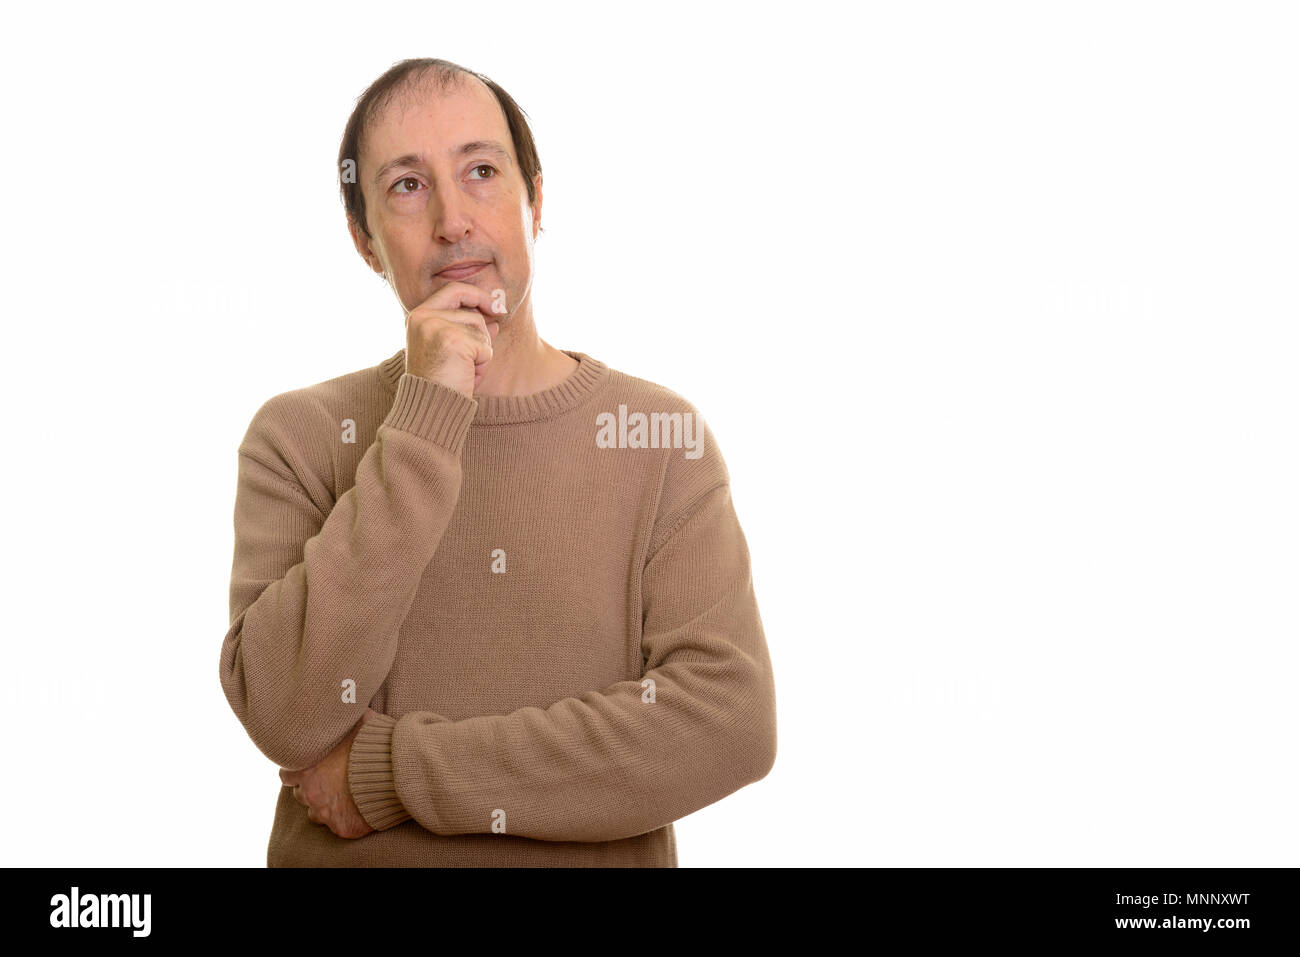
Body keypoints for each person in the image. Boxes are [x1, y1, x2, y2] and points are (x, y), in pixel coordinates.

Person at [219, 57, 777, 867]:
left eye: (481, 171)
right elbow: (287, 714)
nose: (453, 220)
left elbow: (727, 726)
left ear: (536, 201)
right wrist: (428, 416)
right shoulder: (300, 437)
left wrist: (392, 771)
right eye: (407, 186)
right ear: (364, 239)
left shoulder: (656, 436)